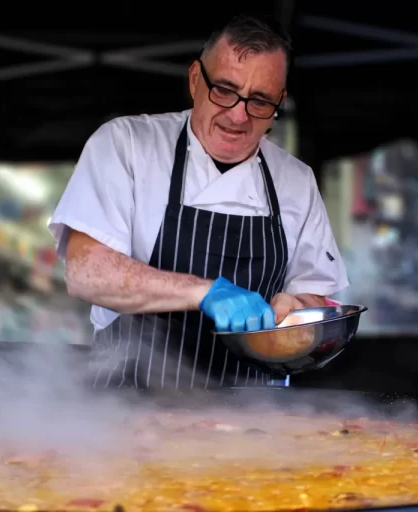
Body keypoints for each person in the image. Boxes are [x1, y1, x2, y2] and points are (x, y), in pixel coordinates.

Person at [48, 14, 349, 389]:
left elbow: (315, 303)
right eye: (224, 90)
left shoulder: (296, 181)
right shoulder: (126, 146)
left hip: (255, 423)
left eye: (259, 100)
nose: (238, 116)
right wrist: (206, 292)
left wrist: (296, 310)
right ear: (195, 80)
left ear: (279, 103)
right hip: (124, 414)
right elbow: (87, 273)